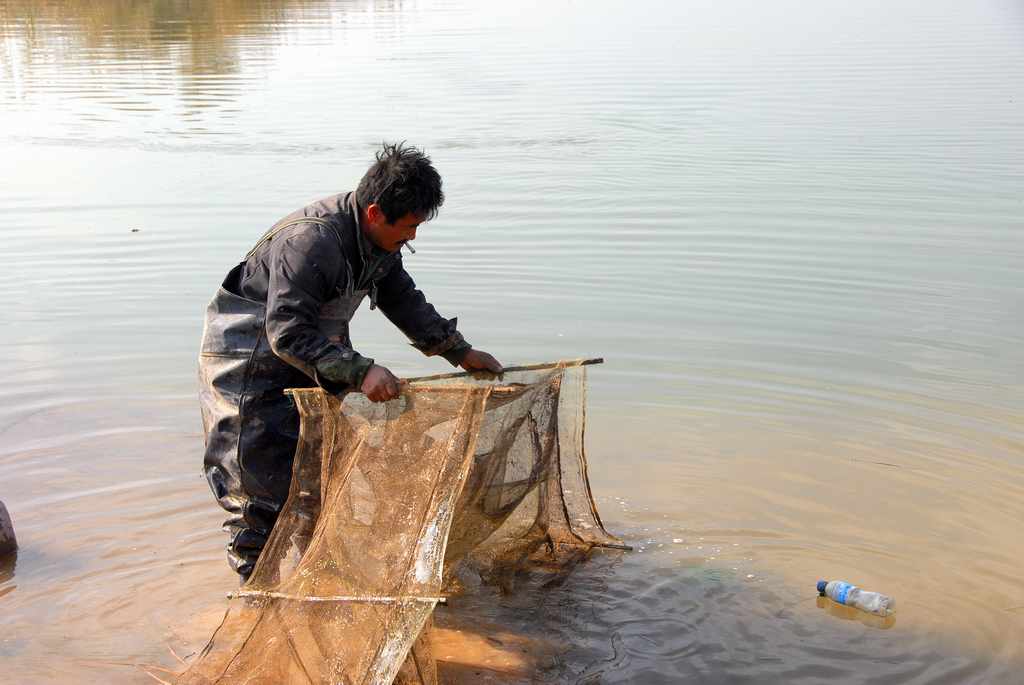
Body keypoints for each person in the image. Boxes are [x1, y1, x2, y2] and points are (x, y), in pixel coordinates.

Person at [198, 142, 503, 580]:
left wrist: (459, 351)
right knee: (260, 496)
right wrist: (361, 371)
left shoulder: (378, 242)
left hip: (309, 360)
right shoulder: (311, 242)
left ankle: (317, 580)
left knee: (318, 479)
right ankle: (254, 604)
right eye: (409, 226)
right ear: (376, 212)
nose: (413, 237)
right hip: (246, 365)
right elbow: (285, 332)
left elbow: (402, 298)